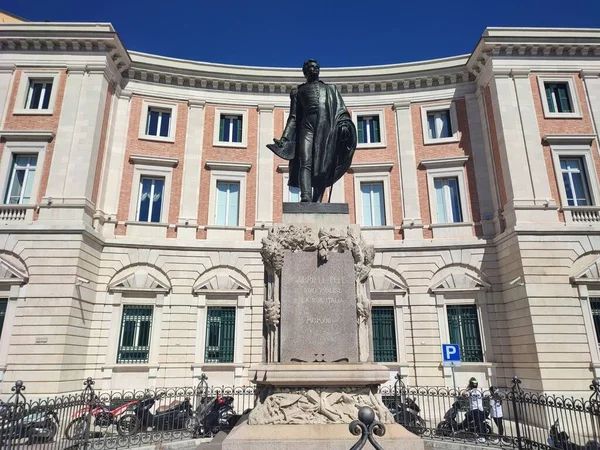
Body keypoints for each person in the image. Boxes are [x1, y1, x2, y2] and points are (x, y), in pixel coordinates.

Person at [268, 59, 357, 202]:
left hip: (326, 130)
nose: (314, 69)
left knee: (323, 164)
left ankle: (317, 200)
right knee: (305, 161)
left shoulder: (331, 90)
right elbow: (294, 117)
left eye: (316, 67)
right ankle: (306, 196)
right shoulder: (298, 91)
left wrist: (345, 125)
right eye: (311, 67)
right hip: (306, 128)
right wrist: (285, 138)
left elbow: (341, 112)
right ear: (305, 72)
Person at [463, 377, 486, 443]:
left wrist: (467, 388)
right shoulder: (479, 391)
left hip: (475, 409)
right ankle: (483, 435)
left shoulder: (470, 392)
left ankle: (481, 437)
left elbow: (463, 394)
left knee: (478, 423)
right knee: (480, 423)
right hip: (481, 409)